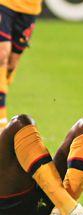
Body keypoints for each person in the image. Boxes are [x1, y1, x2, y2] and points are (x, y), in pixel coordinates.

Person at [0, 114, 83, 215]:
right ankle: (70, 210)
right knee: (19, 124)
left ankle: (58, 214)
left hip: (46, 204)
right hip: (8, 209)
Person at [0, 0, 41, 129]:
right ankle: (1, 120)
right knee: (2, 54)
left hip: (29, 8)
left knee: (11, 65)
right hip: (4, 4)